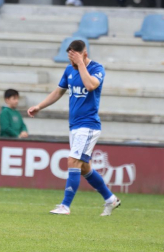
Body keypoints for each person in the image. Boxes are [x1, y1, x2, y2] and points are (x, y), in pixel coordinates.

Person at [27, 40, 121, 216]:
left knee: (72, 160)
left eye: (74, 58)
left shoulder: (97, 68)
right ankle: (110, 199)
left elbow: (91, 85)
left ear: (84, 54)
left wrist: (80, 63)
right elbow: (58, 91)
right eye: (69, 58)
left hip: (89, 125)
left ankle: (65, 205)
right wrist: (39, 106)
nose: (71, 62)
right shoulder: (69, 69)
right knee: (84, 167)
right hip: (75, 125)